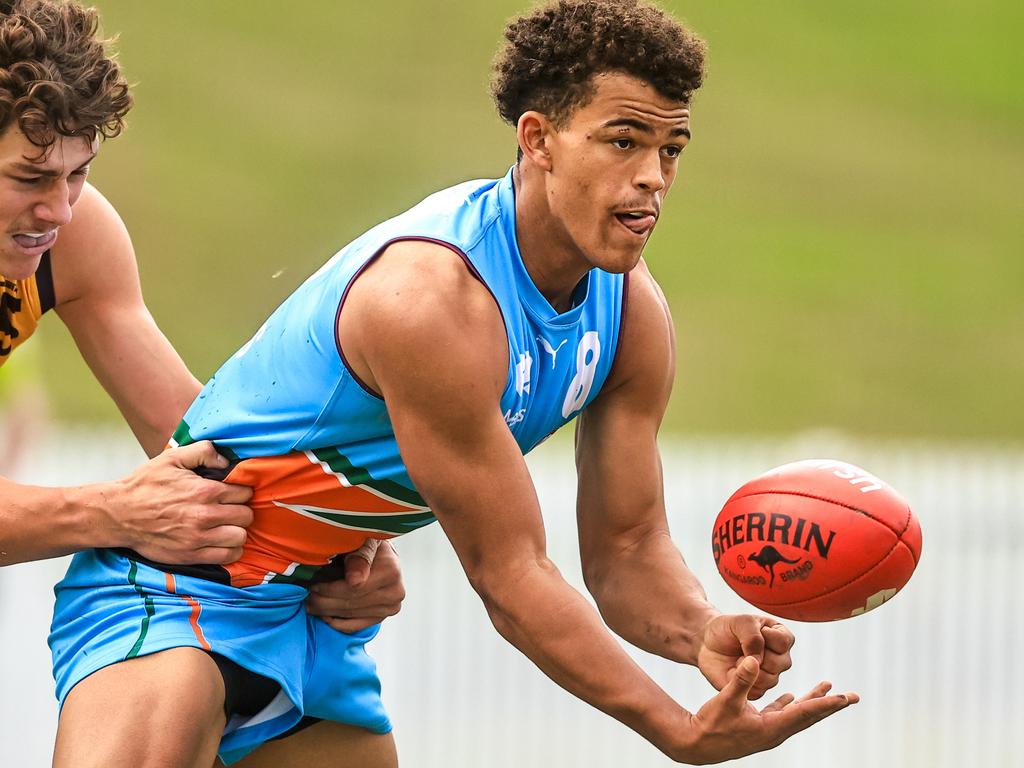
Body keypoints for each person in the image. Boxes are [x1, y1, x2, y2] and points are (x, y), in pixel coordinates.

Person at [50, 0, 860, 765]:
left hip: (320, 612)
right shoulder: (432, 302)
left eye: (671, 150)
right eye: (623, 142)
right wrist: (672, 727)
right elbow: (509, 575)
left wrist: (701, 629)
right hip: (173, 591)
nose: (653, 177)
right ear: (537, 138)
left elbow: (626, 549)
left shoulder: (632, 316)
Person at [0, 0, 403, 706]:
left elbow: (215, 451)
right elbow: (132, 507)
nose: (60, 210)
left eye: (78, 173)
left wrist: (337, 544)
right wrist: (110, 511)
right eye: (30, 178)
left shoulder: (78, 238)